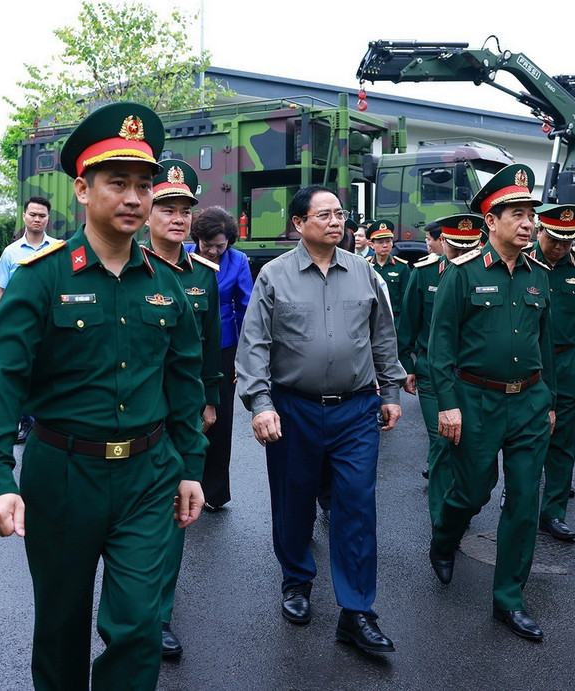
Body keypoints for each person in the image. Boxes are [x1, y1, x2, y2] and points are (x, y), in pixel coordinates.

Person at [0, 102, 208, 689]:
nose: (134, 198)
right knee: (61, 627)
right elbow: (0, 378)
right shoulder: (41, 277)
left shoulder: (167, 284)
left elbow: (184, 380)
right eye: (117, 183)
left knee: (137, 626)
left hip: (149, 475)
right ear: (82, 188)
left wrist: (189, 466)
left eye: (144, 186)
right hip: (63, 476)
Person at [235, 184, 405, 653]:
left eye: (340, 214)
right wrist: (261, 404)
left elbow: (382, 338)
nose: (336, 221)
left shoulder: (365, 274)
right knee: (294, 501)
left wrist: (390, 391)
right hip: (294, 410)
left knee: (356, 506)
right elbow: (255, 346)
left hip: (355, 409)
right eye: (325, 214)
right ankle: (296, 581)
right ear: (299, 224)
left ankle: (357, 611)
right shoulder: (273, 276)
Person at [428, 164, 556, 641]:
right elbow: (440, 344)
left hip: (528, 402)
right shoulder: (461, 275)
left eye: (530, 215)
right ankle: (444, 536)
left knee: (525, 501)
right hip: (474, 399)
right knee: (473, 491)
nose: (528, 223)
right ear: (490, 222)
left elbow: (545, 344)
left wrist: (549, 401)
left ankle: (509, 600)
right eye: (516, 214)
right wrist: (447, 403)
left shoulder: (538, 276)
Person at [144, 159, 223, 657]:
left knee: (175, 514)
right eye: (166, 208)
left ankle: (159, 615)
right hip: (137, 410)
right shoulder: (131, 267)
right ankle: (131, 611)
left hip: (183, 411)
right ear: (147, 214)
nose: (177, 218)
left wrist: (210, 400)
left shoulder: (203, 277)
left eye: (184, 210)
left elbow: (210, 347)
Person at [397, 213, 483, 517]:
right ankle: (442, 519)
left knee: (469, 445)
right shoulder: (423, 273)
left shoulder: (486, 275)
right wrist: (408, 365)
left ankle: (460, 504)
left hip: (472, 374)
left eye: (468, 248)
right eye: (455, 248)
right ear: (443, 242)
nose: (461, 255)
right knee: (443, 440)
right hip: (433, 371)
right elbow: (408, 323)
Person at [528, 203, 575, 542]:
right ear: (540, 231)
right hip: (529, 365)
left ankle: (554, 511)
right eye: (554, 239)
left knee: (562, 441)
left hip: (567, 360)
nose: (559, 247)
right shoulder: (522, 262)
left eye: (567, 241)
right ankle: (520, 496)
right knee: (527, 436)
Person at [187, 206, 253, 510]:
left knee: (218, 419)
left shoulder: (237, 262)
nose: (213, 251)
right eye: (207, 244)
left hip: (224, 351)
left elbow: (247, 310)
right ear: (196, 238)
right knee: (183, 416)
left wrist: (243, 358)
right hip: (184, 349)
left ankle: (213, 491)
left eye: (220, 246)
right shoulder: (181, 255)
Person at [0, 195, 57, 444]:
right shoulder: (11, 252)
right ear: (25, 216)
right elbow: (0, 291)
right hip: (19, 326)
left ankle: (47, 423)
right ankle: (25, 423)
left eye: (42, 215)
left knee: (48, 374)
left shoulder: (58, 249)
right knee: (21, 375)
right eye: (33, 214)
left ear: (48, 219)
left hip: (51, 326)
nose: (37, 219)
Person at [366, 219, 410, 328]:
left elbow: (405, 299)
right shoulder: (365, 265)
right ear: (372, 245)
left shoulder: (402, 267)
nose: (385, 245)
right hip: (371, 320)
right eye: (380, 242)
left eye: (388, 241)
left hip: (394, 321)